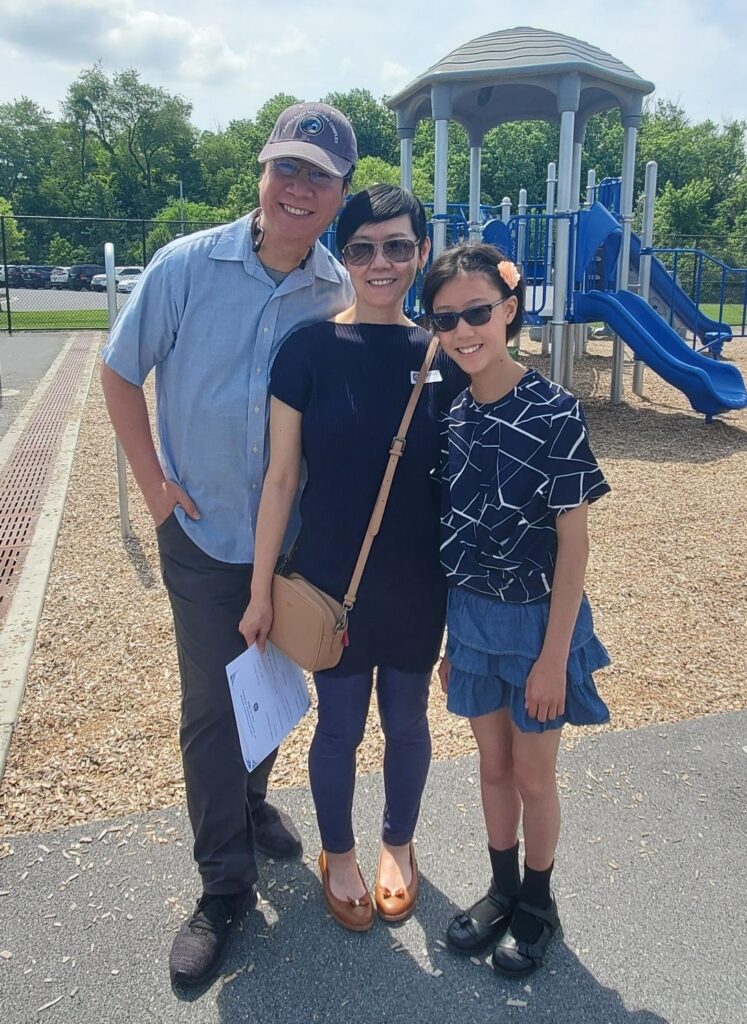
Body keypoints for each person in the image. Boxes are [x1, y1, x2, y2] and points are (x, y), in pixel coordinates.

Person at [100, 101, 358, 987]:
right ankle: (223, 888)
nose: (298, 188)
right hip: (205, 534)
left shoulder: (337, 292)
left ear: (338, 196)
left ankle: (250, 803)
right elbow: (119, 369)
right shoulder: (184, 266)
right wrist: (154, 488)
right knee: (212, 708)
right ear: (261, 174)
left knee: (272, 679)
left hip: (289, 544)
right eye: (286, 168)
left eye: (317, 178)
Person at [239, 185, 467, 932]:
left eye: (398, 246)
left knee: (407, 721)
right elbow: (280, 479)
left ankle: (397, 844)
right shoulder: (307, 350)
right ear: (344, 254)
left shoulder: (445, 355)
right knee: (338, 726)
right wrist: (259, 591)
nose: (380, 262)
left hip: (417, 580)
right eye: (362, 246)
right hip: (331, 577)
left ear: (421, 253)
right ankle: (336, 853)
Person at [421, 242, 611, 976]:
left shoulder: (553, 409)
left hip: (537, 624)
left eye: (476, 313)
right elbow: (455, 538)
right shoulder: (451, 412)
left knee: (534, 775)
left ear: (507, 311)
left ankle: (538, 902)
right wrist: (449, 640)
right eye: (446, 319)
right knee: (492, 767)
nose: (463, 331)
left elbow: (573, 541)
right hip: (470, 620)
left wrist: (553, 657)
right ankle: (500, 890)